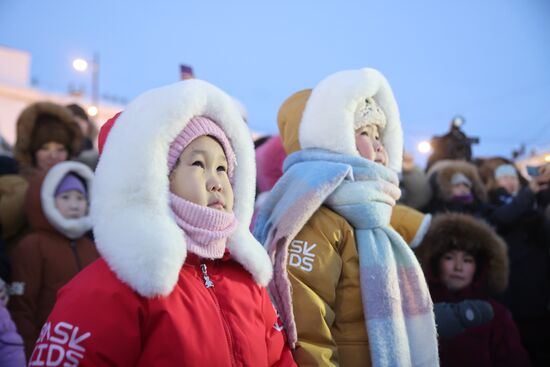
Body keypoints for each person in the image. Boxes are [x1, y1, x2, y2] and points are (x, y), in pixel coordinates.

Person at [28, 80, 296, 366]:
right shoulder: (115, 287)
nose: (217, 182)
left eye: (222, 168)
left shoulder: (245, 280)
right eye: (198, 164)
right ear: (156, 178)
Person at [254, 68, 438, 366]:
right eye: (364, 133)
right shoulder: (316, 214)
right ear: (338, 140)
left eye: (379, 134)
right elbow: (307, 329)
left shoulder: (373, 213)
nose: (378, 144)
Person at [415, 212, 531, 367]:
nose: (458, 267)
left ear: (479, 267)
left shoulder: (494, 314)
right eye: (449, 257)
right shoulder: (416, 310)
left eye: (467, 260)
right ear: (435, 262)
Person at [8, 161, 98, 357]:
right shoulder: (32, 246)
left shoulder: (92, 248)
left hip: (87, 351)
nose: (74, 204)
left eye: (80, 197)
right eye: (65, 197)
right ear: (47, 199)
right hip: (44, 351)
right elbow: (21, 308)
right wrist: (31, 353)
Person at [486, 163, 550, 366]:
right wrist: (529, 191)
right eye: (504, 178)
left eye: (512, 177)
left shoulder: (533, 198)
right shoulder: (491, 202)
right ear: (495, 183)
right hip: (513, 285)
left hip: (539, 283)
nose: (509, 182)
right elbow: (503, 217)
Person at [0, 102, 83, 249]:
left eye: (60, 149)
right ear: (31, 151)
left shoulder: (81, 186)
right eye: (45, 148)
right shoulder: (12, 184)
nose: (53, 156)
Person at [66, 103, 99, 170]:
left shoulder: (96, 158)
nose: (76, 130)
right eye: (74, 125)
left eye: (79, 124)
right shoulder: (60, 155)